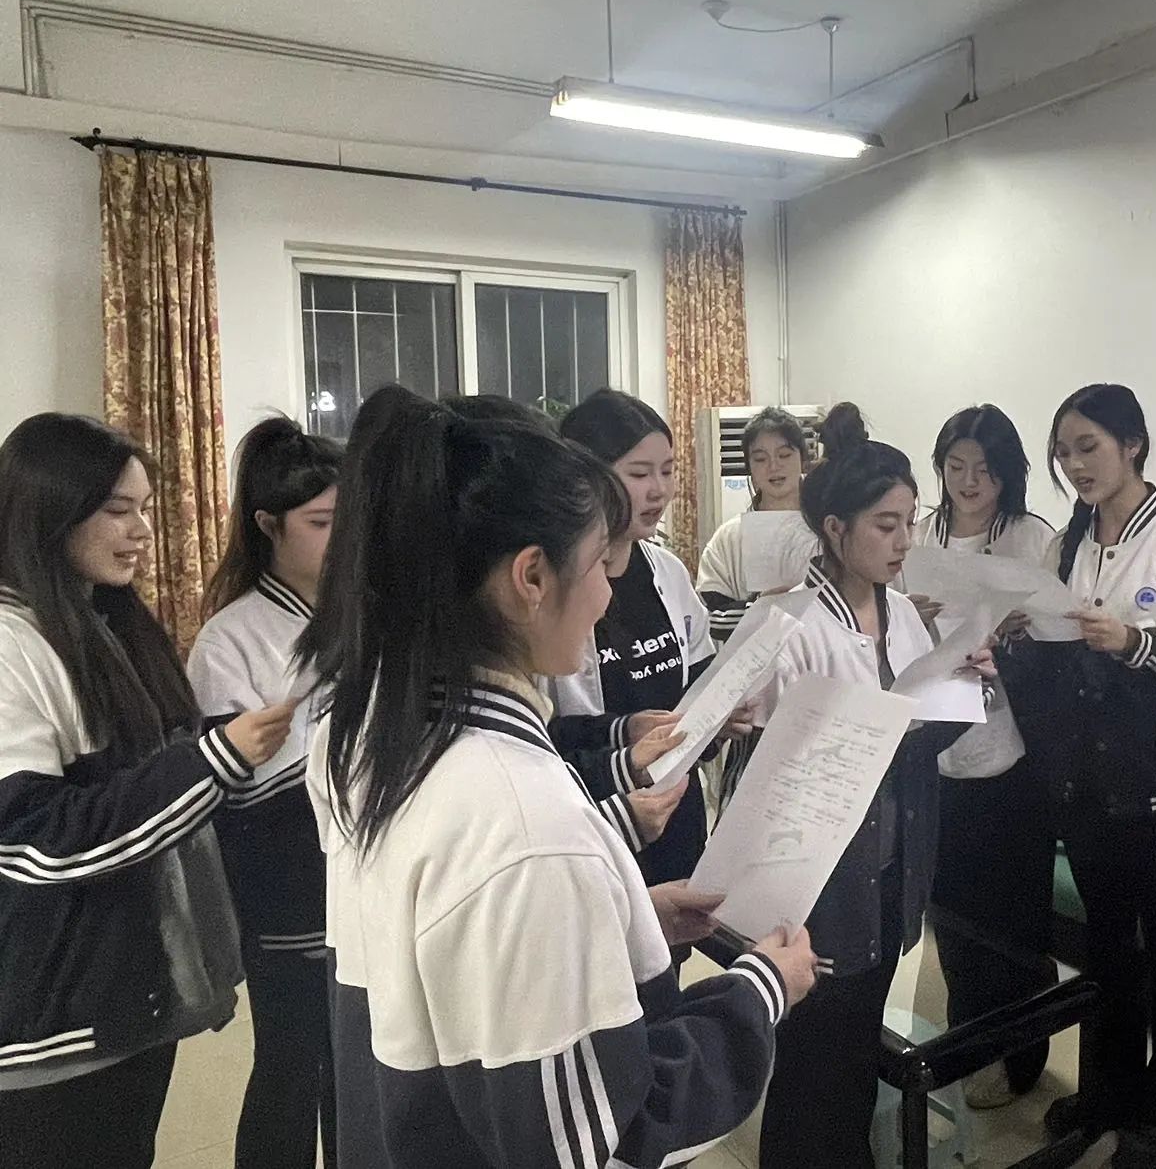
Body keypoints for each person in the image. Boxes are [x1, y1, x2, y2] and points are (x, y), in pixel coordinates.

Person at [304, 385, 817, 1168]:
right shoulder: (523, 820)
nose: (608, 592)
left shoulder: (363, 731)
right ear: (532, 578)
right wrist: (759, 989)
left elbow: (457, 959)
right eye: (598, 565)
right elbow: (601, 1132)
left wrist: (621, 913)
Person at [0, 414, 294, 1169]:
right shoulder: (10, 645)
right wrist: (214, 760)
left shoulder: (98, 622)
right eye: (117, 510)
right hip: (50, 1028)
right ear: (49, 511)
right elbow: (36, 841)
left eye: (145, 510)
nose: (141, 532)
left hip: (124, 1005)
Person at [749, 402, 995, 1169]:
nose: (904, 541)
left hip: (892, 868)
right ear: (835, 529)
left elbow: (921, 739)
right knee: (811, 1066)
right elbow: (772, 774)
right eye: (886, 525)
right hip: (819, 884)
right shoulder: (792, 628)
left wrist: (967, 688)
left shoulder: (902, 615)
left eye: (909, 523)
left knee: (856, 1055)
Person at [999, 383, 1156, 1166]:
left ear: (1133, 444)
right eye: (1064, 452)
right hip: (1089, 782)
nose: (1075, 464)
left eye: (1088, 446)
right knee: (1108, 951)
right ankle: (1109, 1097)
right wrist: (1021, 632)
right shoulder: (1070, 541)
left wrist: (1134, 644)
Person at [188, 417, 342, 1169]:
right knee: (291, 1069)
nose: (343, 540)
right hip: (288, 890)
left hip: (368, 881)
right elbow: (234, 792)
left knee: (358, 1074)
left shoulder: (367, 616)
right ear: (268, 524)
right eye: (322, 522)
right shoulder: (230, 639)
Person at [913, 404, 1057, 1109]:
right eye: (956, 466)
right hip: (939, 747)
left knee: (1014, 915)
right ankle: (966, 1042)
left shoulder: (1034, 539)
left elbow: (1060, 644)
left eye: (986, 470)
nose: (970, 482)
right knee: (953, 913)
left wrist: (1025, 636)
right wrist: (906, 616)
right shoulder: (919, 537)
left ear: (1009, 474)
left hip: (1014, 755)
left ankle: (1021, 1056)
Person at [552, 390, 726, 886]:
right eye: (639, 473)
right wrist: (625, 733)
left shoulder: (667, 572)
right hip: (597, 822)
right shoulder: (556, 587)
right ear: (587, 477)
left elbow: (700, 681)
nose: (660, 491)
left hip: (676, 817)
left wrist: (722, 716)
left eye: (667, 471)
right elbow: (548, 736)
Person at [697, 406, 811, 642]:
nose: (773, 466)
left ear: (802, 458)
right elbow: (707, 619)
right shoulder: (729, 537)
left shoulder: (829, 529)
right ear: (749, 467)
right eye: (760, 459)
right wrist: (761, 606)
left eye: (784, 455)